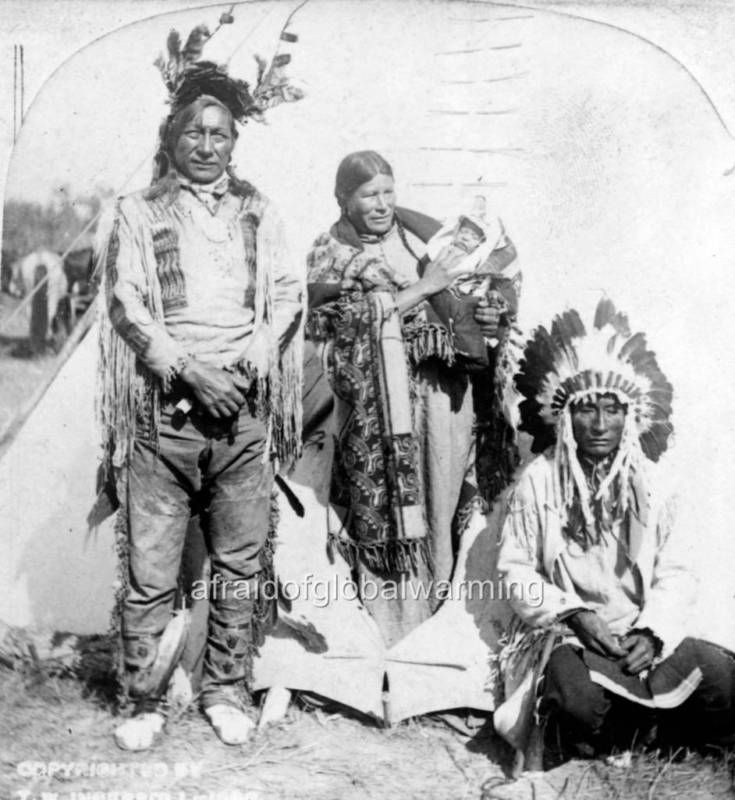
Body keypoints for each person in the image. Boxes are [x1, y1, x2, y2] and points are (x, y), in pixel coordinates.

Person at [96, 30, 303, 750]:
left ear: (234, 141)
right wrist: (188, 370)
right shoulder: (139, 209)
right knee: (152, 568)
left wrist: (245, 365)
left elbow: (286, 297)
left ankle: (224, 690)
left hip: (242, 409)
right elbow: (125, 304)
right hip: (167, 411)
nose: (207, 146)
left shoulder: (259, 211)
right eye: (195, 132)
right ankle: (143, 702)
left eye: (219, 134)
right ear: (173, 135)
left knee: (240, 565)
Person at [493, 299, 735, 772]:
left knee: (725, 682)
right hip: (571, 637)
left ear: (631, 415)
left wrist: (653, 631)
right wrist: (575, 614)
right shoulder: (540, 479)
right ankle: (632, 730)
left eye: (611, 410)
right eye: (586, 411)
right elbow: (515, 568)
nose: (599, 425)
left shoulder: (656, 482)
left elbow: (679, 572)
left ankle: (645, 728)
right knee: (576, 703)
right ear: (564, 416)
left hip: (642, 635)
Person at [305, 150, 521, 646]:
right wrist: (424, 289)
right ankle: (390, 633)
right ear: (343, 198)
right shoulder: (329, 251)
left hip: (443, 394)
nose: (381, 205)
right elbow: (330, 330)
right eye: (368, 195)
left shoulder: (423, 235)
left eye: (387, 192)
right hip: (379, 407)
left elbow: (479, 292)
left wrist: (491, 319)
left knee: (442, 501)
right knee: (389, 516)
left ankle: (439, 630)